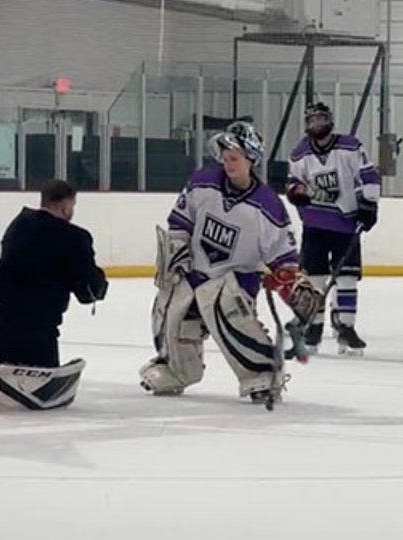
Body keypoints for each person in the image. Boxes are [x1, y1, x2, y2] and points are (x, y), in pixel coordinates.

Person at [139, 121, 325, 404]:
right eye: (225, 158)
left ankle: (263, 375)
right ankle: (176, 369)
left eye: (234, 158)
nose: (227, 163)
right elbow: (179, 222)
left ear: (251, 159)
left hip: (235, 284)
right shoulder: (203, 182)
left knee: (228, 310)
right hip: (195, 274)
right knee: (170, 309)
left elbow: (283, 258)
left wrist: (292, 285)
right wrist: (177, 253)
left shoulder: (268, 205)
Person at [0, 180, 107, 413]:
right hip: (25, 321)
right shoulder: (74, 237)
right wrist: (99, 284)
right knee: (39, 372)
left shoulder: (21, 222)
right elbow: (88, 290)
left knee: (8, 338)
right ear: (65, 206)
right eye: (72, 205)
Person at [284, 102, 382, 356]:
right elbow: (293, 183)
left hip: (346, 224)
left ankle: (345, 328)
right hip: (315, 224)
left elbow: (368, 175)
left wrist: (369, 204)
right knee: (315, 279)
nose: (317, 124)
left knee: (347, 278)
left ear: (330, 121)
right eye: (312, 120)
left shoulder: (350, 146)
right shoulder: (299, 153)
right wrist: (297, 192)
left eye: (321, 119)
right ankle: (314, 328)